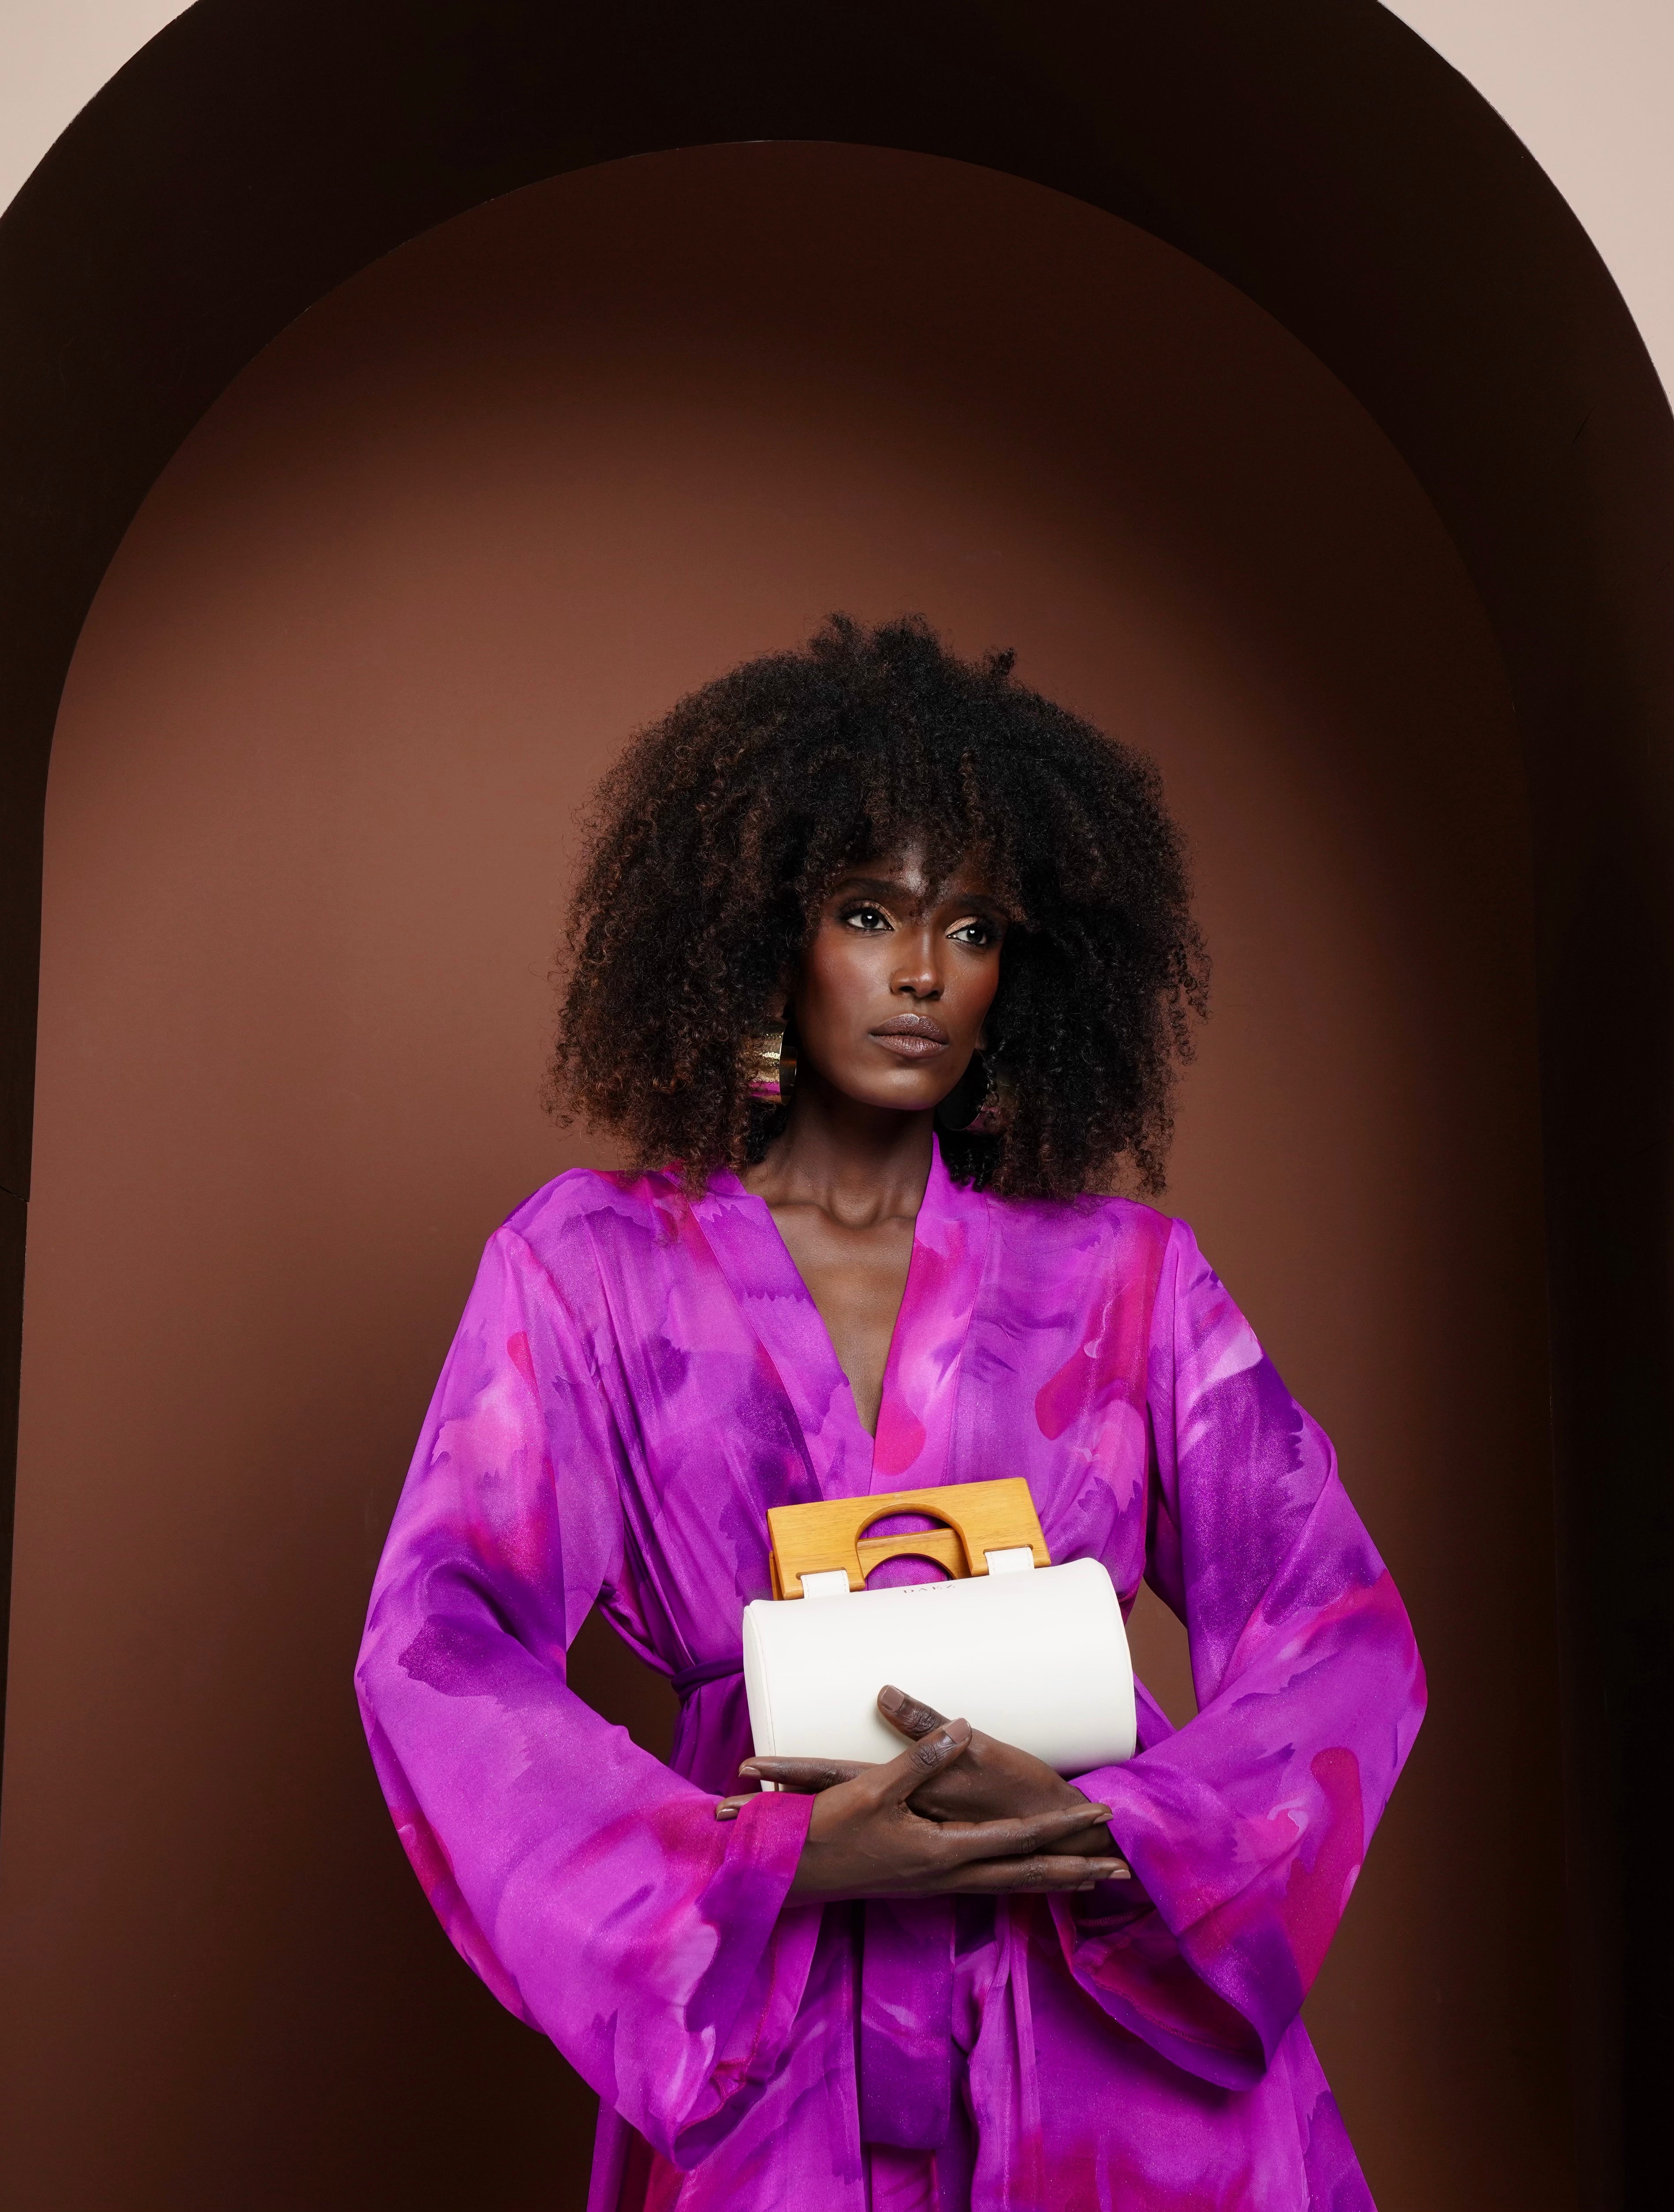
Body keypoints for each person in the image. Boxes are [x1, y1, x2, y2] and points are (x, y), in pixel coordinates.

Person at [355, 614, 1425, 2211]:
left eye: (975, 926)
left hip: (1099, 2039)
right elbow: (435, 1648)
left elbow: (1339, 1630)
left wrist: (1112, 1829)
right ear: (763, 939)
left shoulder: (1127, 1279)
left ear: (1028, 974)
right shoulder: (588, 1269)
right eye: (871, 914)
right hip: (776, 2033)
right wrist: (774, 1863)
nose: (925, 973)